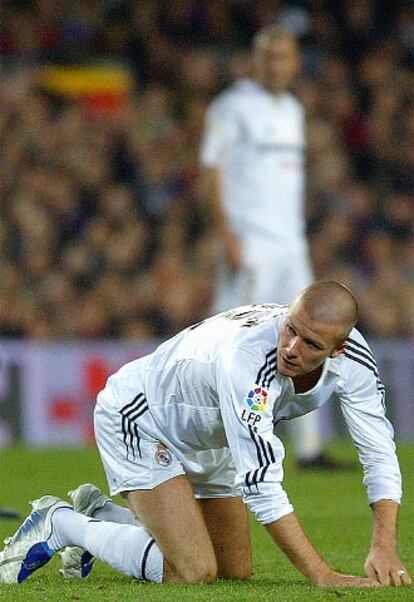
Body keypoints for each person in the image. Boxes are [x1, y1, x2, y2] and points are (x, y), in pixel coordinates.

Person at [0, 281, 411, 588]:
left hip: (213, 435)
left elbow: (378, 452)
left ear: (338, 349)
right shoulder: (248, 361)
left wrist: (385, 545)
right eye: (290, 329)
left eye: (311, 343)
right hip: (140, 417)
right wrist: (321, 574)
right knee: (193, 571)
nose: (291, 347)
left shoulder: (355, 360)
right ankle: (62, 524)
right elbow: (261, 485)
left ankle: (103, 516)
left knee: (234, 571)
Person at [200, 25, 341, 469]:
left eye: (283, 56)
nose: (275, 64)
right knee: (234, 335)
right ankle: (215, 443)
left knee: (309, 333)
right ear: (255, 60)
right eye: (267, 56)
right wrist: (227, 236)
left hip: (289, 242)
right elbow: (211, 170)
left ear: (295, 63)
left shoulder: (293, 110)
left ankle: (309, 448)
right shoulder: (232, 106)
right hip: (251, 241)